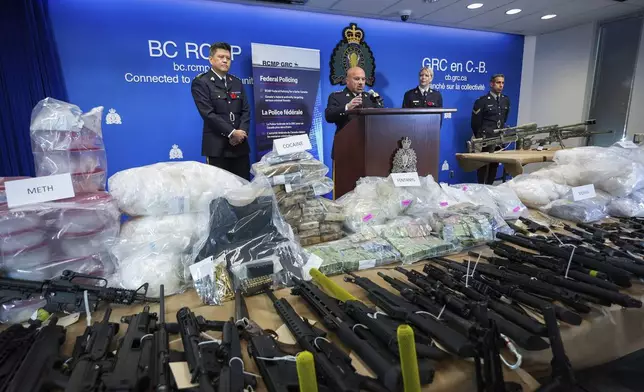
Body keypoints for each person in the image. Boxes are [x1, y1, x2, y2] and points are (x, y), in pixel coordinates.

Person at [191, 42, 251, 180]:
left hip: (240, 147)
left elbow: (246, 111)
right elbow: (208, 113)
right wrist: (232, 133)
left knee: (244, 189)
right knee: (220, 192)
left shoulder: (236, 82)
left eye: (228, 58)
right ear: (211, 59)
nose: (225, 60)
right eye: (221, 57)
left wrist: (241, 134)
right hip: (217, 147)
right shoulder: (201, 82)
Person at [325, 66, 380, 198]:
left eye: (363, 79)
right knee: (345, 190)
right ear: (347, 80)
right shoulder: (337, 97)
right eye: (356, 79)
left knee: (368, 192)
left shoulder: (370, 97)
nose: (361, 82)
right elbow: (329, 116)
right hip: (345, 151)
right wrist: (347, 107)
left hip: (369, 152)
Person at [470, 73, 510, 185]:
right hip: (485, 139)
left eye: (502, 83)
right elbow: (475, 123)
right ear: (491, 84)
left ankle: (490, 187)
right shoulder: (482, 101)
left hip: (498, 138)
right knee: (483, 166)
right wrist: (480, 139)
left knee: (494, 165)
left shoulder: (505, 100)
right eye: (498, 82)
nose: (501, 85)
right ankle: (481, 187)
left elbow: (504, 119)